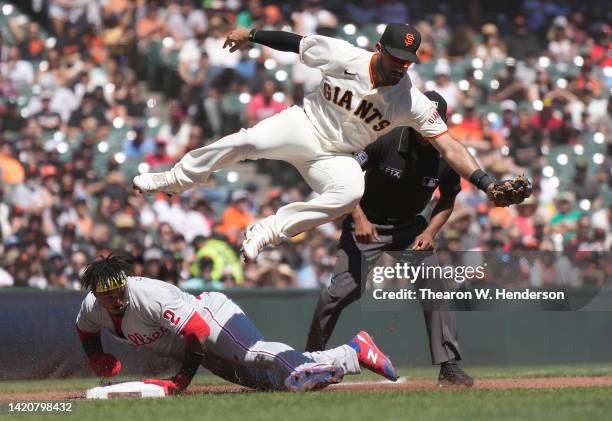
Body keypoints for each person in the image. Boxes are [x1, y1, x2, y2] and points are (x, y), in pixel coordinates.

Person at [133, 24, 528, 262]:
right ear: (379, 49)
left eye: (407, 60)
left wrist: (486, 182)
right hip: (304, 124)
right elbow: (296, 43)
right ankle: (176, 178)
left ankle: (268, 230)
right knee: (247, 140)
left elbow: (451, 147)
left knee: (350, 191)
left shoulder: (411, 101)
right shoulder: (343, 56)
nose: (401, 66)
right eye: (395, 57)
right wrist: (251, 35)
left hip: (336, 155)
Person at [305, 92, 473, 387]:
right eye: (422, 120)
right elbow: (344, 175)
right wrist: (358, 217)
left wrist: (430, 232)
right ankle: (307, 360)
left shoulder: (447, 156)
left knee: (435, 287)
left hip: (410, 228)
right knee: (341, 291)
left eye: (432, 122)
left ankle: (449, 367)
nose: (425, 128)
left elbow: (448, 199)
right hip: (366, 221)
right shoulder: (387, 138)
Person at [75, 254, 398, 394]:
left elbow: (197, 331)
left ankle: (306, 369)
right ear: (96, 296)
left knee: (249, 353)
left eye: (120, 291)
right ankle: (353, 353)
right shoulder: (92, 307)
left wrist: (182, 381)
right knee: (266, 382)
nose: (117, 300)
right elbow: (85, 330)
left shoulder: (149, 294)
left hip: (208, 318)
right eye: (109, 297)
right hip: (188, 343)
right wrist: (95, 356)